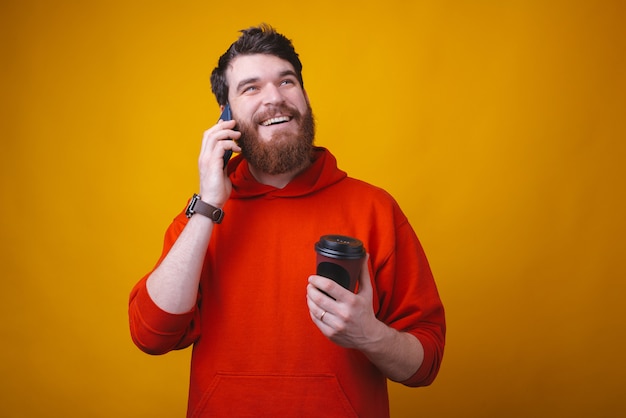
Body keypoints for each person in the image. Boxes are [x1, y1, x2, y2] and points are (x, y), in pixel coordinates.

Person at [128, 23, 445, 418]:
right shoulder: (204, 219)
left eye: (287, 81)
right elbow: (151, 334)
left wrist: (369, 334)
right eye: (251, 88)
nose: (275, 98)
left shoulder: (375, 209)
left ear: (305, 96)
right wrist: (209, 204)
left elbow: (425, 361)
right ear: (226, 118)